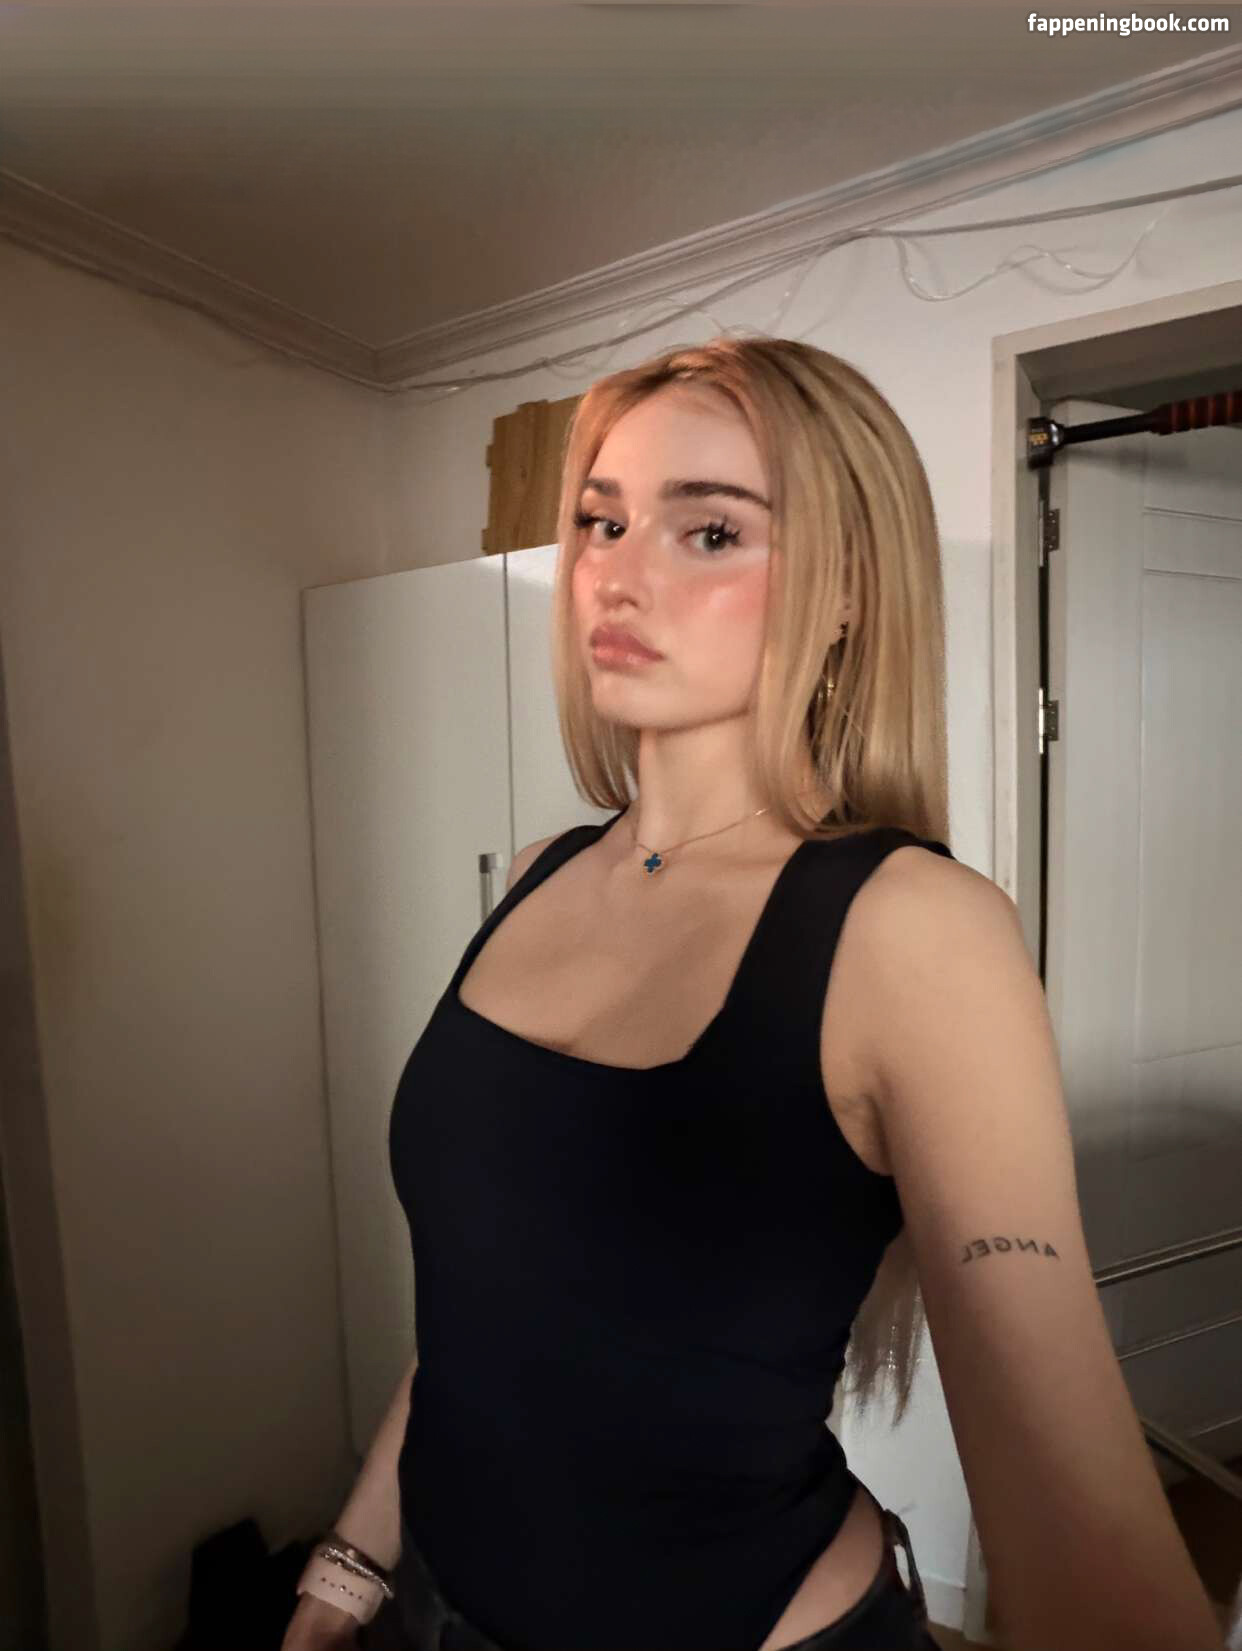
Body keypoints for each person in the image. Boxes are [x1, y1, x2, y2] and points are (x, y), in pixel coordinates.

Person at [284, 337, 1225, 1651]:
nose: (615, 574)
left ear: (842, 592)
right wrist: (346, 1569)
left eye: (711, 531)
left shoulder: (912, 931)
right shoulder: (541, 871)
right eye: (601, 522)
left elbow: (1083, 1547)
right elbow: (481, 1303)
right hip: (437, 1611)